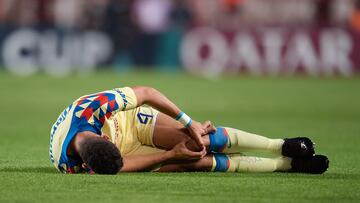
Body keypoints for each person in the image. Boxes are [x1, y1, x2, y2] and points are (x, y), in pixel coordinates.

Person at [49, 86, 329, 174]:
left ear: (100, 136)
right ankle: (287, 165)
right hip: (125, 151)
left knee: (202, 139)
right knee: (195, 159)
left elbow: (146, 93)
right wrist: (169, 156)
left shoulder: (93, 108)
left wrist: (188, 122)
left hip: (130, 122)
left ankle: (278, 145)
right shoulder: (72, 168)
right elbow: (119, 165)